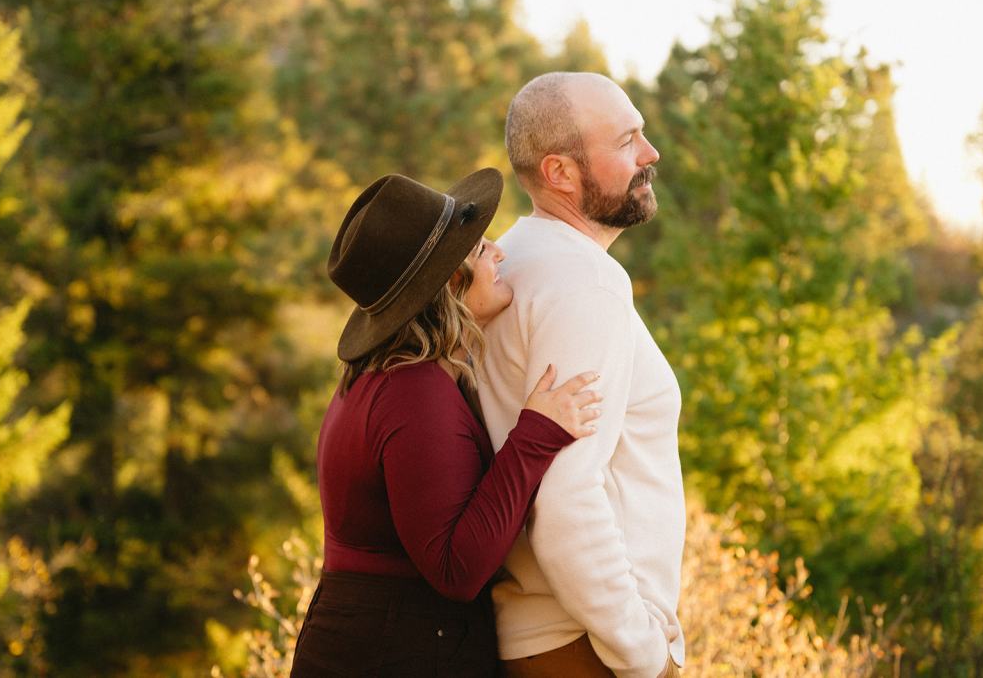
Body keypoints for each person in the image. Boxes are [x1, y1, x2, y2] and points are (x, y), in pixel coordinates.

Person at [290, 168, 603, 677]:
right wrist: (536, 435)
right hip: (397, 653)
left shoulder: (388, 379)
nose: (499, 253)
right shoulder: (413, 392)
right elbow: (457, 569)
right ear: (451, 287)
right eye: (481, 251)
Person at [476, 72, 686, 678]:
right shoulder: (584, 283)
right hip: (583, 646)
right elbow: (565, 494)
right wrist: (641, 650)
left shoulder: (518, 257)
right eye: (626, 141)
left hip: (547, 636)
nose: (651, 154)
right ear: (560, 173)